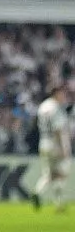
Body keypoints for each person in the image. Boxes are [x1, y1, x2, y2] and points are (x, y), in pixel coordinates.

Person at [34, 82, 71, 214]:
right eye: (62, 93)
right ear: (56, 93)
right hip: (55, 144)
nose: (63, 96)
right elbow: (58, 129)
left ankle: (37, 192)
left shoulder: (43, 107)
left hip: (43, 142)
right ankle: (59, 203)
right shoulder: (55, 108)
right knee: (60, 174)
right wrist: (63, 148)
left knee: (47, 174)